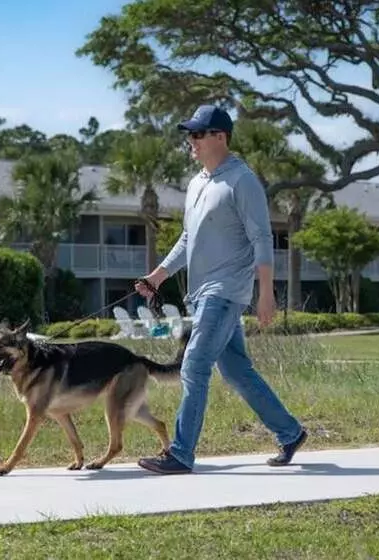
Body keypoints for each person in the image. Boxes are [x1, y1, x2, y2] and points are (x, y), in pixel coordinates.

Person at [134, 104, 307, 474]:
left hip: (226, 291)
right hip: (200, 293)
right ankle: (290, 432)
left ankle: (180, 453)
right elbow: (187, 238)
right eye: (190, 135)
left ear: (220, 137)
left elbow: (262, 239)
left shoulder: (242, 181)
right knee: (236, 371)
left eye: (198, 134)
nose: (191, 141)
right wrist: (157, 276)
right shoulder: (198, 182)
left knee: (194, 365)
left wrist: (265, 292)